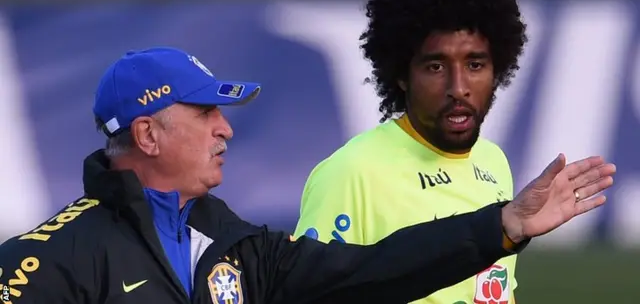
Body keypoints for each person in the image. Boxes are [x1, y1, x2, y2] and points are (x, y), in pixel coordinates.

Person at [0, 47, 614, 304]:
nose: (225, 129)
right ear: (147, 134)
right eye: (205, 112)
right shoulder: (50, 260)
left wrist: (502, 226)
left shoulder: (233, 245)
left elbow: (365, 270)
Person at [293, 0, 584, 304]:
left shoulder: (494, 163)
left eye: (475, 64)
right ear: (401, 74)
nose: (458, 86)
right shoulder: (350, 173)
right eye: (435, 66)